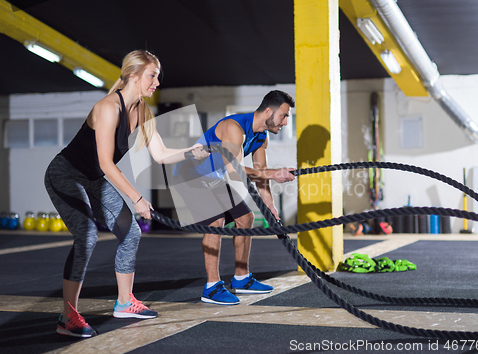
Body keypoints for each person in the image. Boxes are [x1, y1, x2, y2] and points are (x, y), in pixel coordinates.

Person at [44, 50, 208, 338]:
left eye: (158, 75)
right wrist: (137, 198)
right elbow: (106, 163)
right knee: (86, 236)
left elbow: (160, 154)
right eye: (152, 75)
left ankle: (124, 303)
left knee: (130, 232)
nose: (157, 81)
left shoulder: (142, 110)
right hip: (65, 174)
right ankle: (67, 316)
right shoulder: (108, 107)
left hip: (94, 179)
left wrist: (189, 152)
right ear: (133, 75)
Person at [172, 90, 296, 305]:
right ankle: (211, 287)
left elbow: (261, 172)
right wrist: (274, 173)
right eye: (283, 116)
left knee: (246, 218)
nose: (285, 122)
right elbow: (234, 171)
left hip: (214, 176)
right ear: (269, 111)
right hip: (190, 176)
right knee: (216, 221)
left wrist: (270, 207)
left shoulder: (261, 137)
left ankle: (241, 278)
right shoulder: (234, 128)